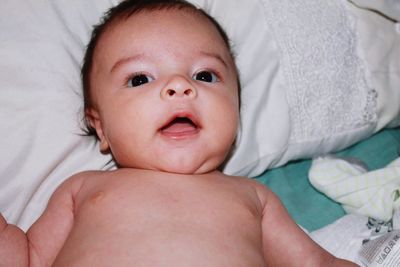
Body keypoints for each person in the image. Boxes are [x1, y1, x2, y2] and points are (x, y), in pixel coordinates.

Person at [0, 0, 358, 266]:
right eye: (139, 79)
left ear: (236, 108)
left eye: (205, 75)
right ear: (101, 127)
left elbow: (314, 263)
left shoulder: (253, 198)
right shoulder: (82, 189)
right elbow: (30, 257)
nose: (178, 85)